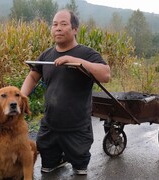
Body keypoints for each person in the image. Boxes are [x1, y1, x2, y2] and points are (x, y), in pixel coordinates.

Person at [21, 9, 110, 175]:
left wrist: (74, 60)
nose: (58, 28)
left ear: (75, 29)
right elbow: (33, 77)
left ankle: (73, 158)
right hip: (50, 125)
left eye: (63, 24)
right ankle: (58, 158)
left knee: (80, 170)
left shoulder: (87, 53)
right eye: (54, 24)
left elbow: (105, 74)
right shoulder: (47, 54)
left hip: (77, 127)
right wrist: (21, 96)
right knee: (47, 168)